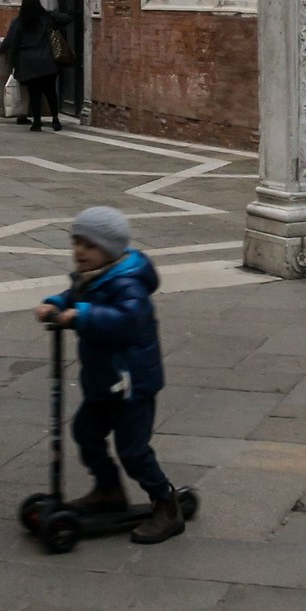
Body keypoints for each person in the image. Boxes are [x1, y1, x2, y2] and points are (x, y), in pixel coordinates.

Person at [39, 205, 183, 542]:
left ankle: (166, 502)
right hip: (104, 381)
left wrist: (81, 316)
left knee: (133, 451)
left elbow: (126, 322)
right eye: (76, 242)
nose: (78, 251)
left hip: (132, 385)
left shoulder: (129, 284)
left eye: (88, 245)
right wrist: (55, 304)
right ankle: (108, 490)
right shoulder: (93, 277)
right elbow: (73, 296)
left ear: (110, 249)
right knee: (85, 433)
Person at [0, 0, 63, 131]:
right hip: (47, 60)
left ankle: (37, 121)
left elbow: (11, 41)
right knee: (51, 91)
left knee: (35, 93)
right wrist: (50, 14)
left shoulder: (19, 22)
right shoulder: (45, 19)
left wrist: (6, 55)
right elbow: (65, 19)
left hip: (29, 63)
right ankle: (55, 119)